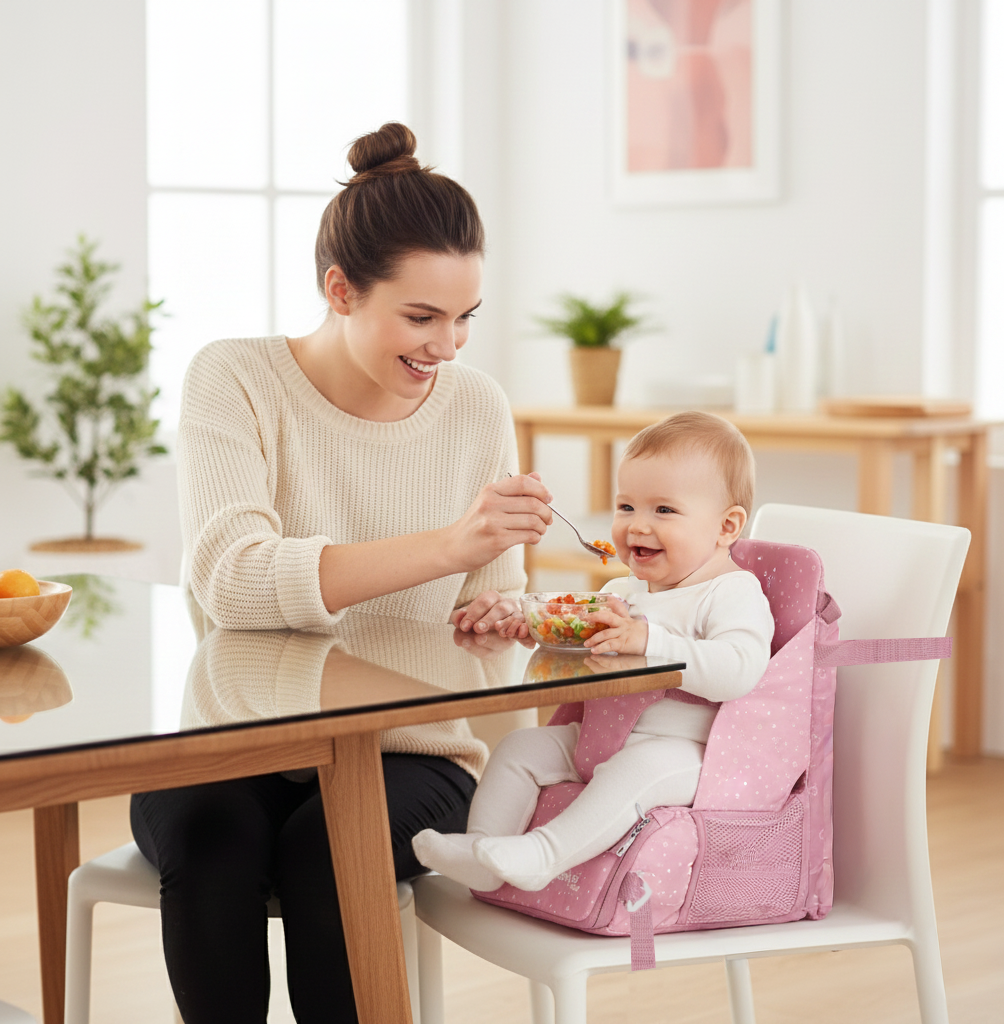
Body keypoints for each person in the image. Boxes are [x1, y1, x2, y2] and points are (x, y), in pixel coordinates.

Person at [130, 122, 553, 1024]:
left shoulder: (477, 407)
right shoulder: (234, 380)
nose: (449, 346)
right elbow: (231, 577)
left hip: (413, 751)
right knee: (210, 842)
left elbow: (487, 607)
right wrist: (449, 545)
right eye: (422, 317)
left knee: (334, 854)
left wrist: (504, 609)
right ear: (339, 290)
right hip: (232, 735)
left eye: (466, 317)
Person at [413, 411, 775, 892]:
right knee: (520, 747)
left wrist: (651, 641)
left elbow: (740, 670)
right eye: (627, 507)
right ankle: (482, 847)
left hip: (688, 755)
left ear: (727, 526)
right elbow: (580, 645)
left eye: (663, 511)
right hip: (603, 735)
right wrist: (534, 627)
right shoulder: (624, 589)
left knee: (633, 772)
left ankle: (543, 855)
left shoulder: (731, 591)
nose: (637, 526)